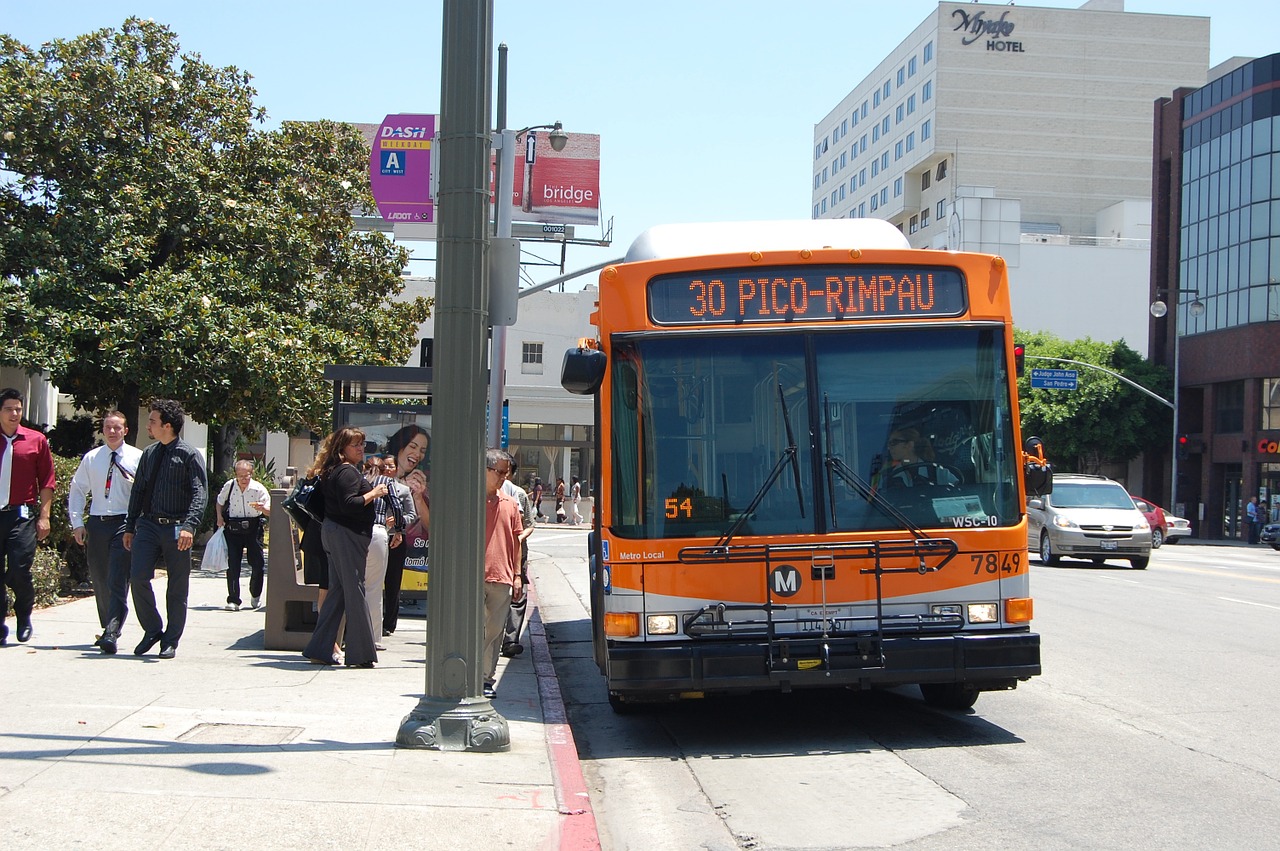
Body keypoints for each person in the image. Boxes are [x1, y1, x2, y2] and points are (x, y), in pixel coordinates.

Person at [123, 399, 208, 659]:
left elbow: (200, 493)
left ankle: (170, 640)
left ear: (167, 426)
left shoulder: (189, 454)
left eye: (152, 421)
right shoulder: (149, 454)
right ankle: (152, 629)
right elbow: (138, 491)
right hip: (148, 525)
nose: (148, 424)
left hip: (177, 528)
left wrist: (190, 526)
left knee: (177, 585)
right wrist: (130, 526)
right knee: (138, 577)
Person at [302, 428, 387, 668]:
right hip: (346, 535)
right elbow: (351, 504)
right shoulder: (347, 472)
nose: (361, 449)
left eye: (362, 444)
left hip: (335, 533)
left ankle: (320, 648)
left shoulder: (334, 471)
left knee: (338, 592)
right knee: (354, 591)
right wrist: (375, 492)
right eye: (355, 446)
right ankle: (361, 654)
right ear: (342, 450)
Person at [68, 410, 141, 653]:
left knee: (118, 577)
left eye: (117, 427)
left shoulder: (137, 458)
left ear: (126, 431)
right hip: (98, 523)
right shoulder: (92, 458)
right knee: (99, 577)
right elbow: (78, 489)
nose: (112, 431)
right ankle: (107, 625)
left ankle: (112, 630)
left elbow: (143, 494)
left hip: (124, 523)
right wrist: (77, 522)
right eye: (108, 427)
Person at [0, 388, 56, 646]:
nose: (15, 414)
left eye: (18, 409)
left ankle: (24, 615)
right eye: (9, 409)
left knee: (19, 569)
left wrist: (44, 516)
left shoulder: (36, 440)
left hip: (21, 515)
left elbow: (46, 480)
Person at [482, 447, 524, 699]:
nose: (503, 478)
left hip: (503, 577)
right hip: (474, 576)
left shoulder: (510, 504)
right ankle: (473, 675)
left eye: (506, 473)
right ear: (485, 470)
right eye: (499, 472)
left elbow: (516, 541)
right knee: (477, 630)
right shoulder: (469, 500)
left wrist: (517, 575)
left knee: (495, 631)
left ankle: (486, 677)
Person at [216, 459, 271, 611]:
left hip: (253, 527)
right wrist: (219, 518)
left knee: (257, 563)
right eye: (240, 476)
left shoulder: (258, 489)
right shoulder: (230, 486)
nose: (244, 479)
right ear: (235, 475)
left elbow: (270, 510)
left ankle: (255, 594)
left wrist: (263, 509)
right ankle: (233, 599)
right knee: (233, 564)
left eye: (246, 476)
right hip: (233, 528)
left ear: (251, 474)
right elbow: (219, 501)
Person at [363, 455, 404, 649]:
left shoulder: (357, 478)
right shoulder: (386, 481)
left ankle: (347, 633)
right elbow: (396, 506)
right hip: (377, 530)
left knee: (355, 585)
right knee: (374, 587)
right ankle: (372, 637)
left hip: (355, 533)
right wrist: (399, 529)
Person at [500, 453, 536, 658]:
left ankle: (510, 640)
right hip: (494, 552)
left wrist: (518, 538)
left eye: (506, 472)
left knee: (518, 593)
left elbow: (530, 525)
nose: (502, 476)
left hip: (517, 551)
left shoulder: (518, 494)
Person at [379, 454, 417, 637]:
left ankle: (389, 623)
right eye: (384, 466)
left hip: (396, 539)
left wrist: (399, 521)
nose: (387, 469)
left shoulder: (403, 490)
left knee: (393, 582)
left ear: (396, 469)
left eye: (390, 466)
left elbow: (412, 514)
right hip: (375, 537)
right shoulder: (372, 487)